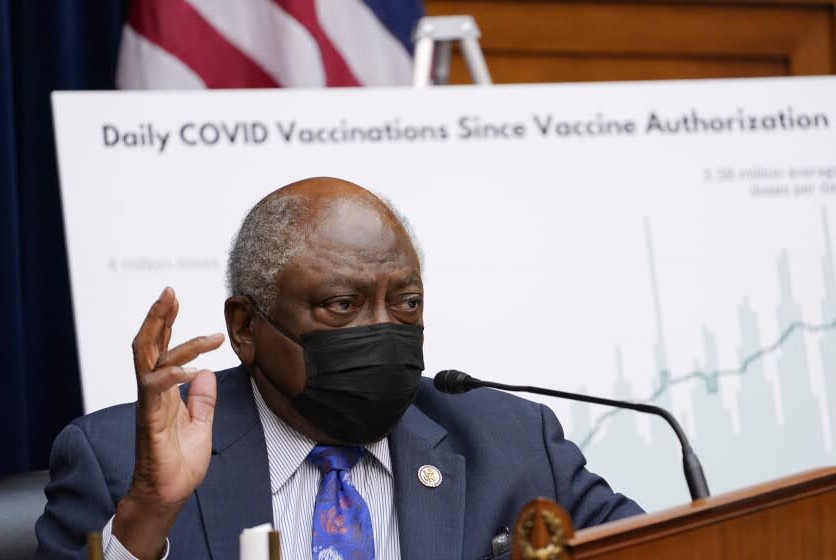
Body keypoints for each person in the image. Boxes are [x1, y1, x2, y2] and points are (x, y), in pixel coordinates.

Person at [36, 177, 642, 560]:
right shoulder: (119, 462)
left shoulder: (513, 444)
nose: (381, 330)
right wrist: (146, 515)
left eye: (405, 303)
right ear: (246, 328)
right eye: (342, 305)